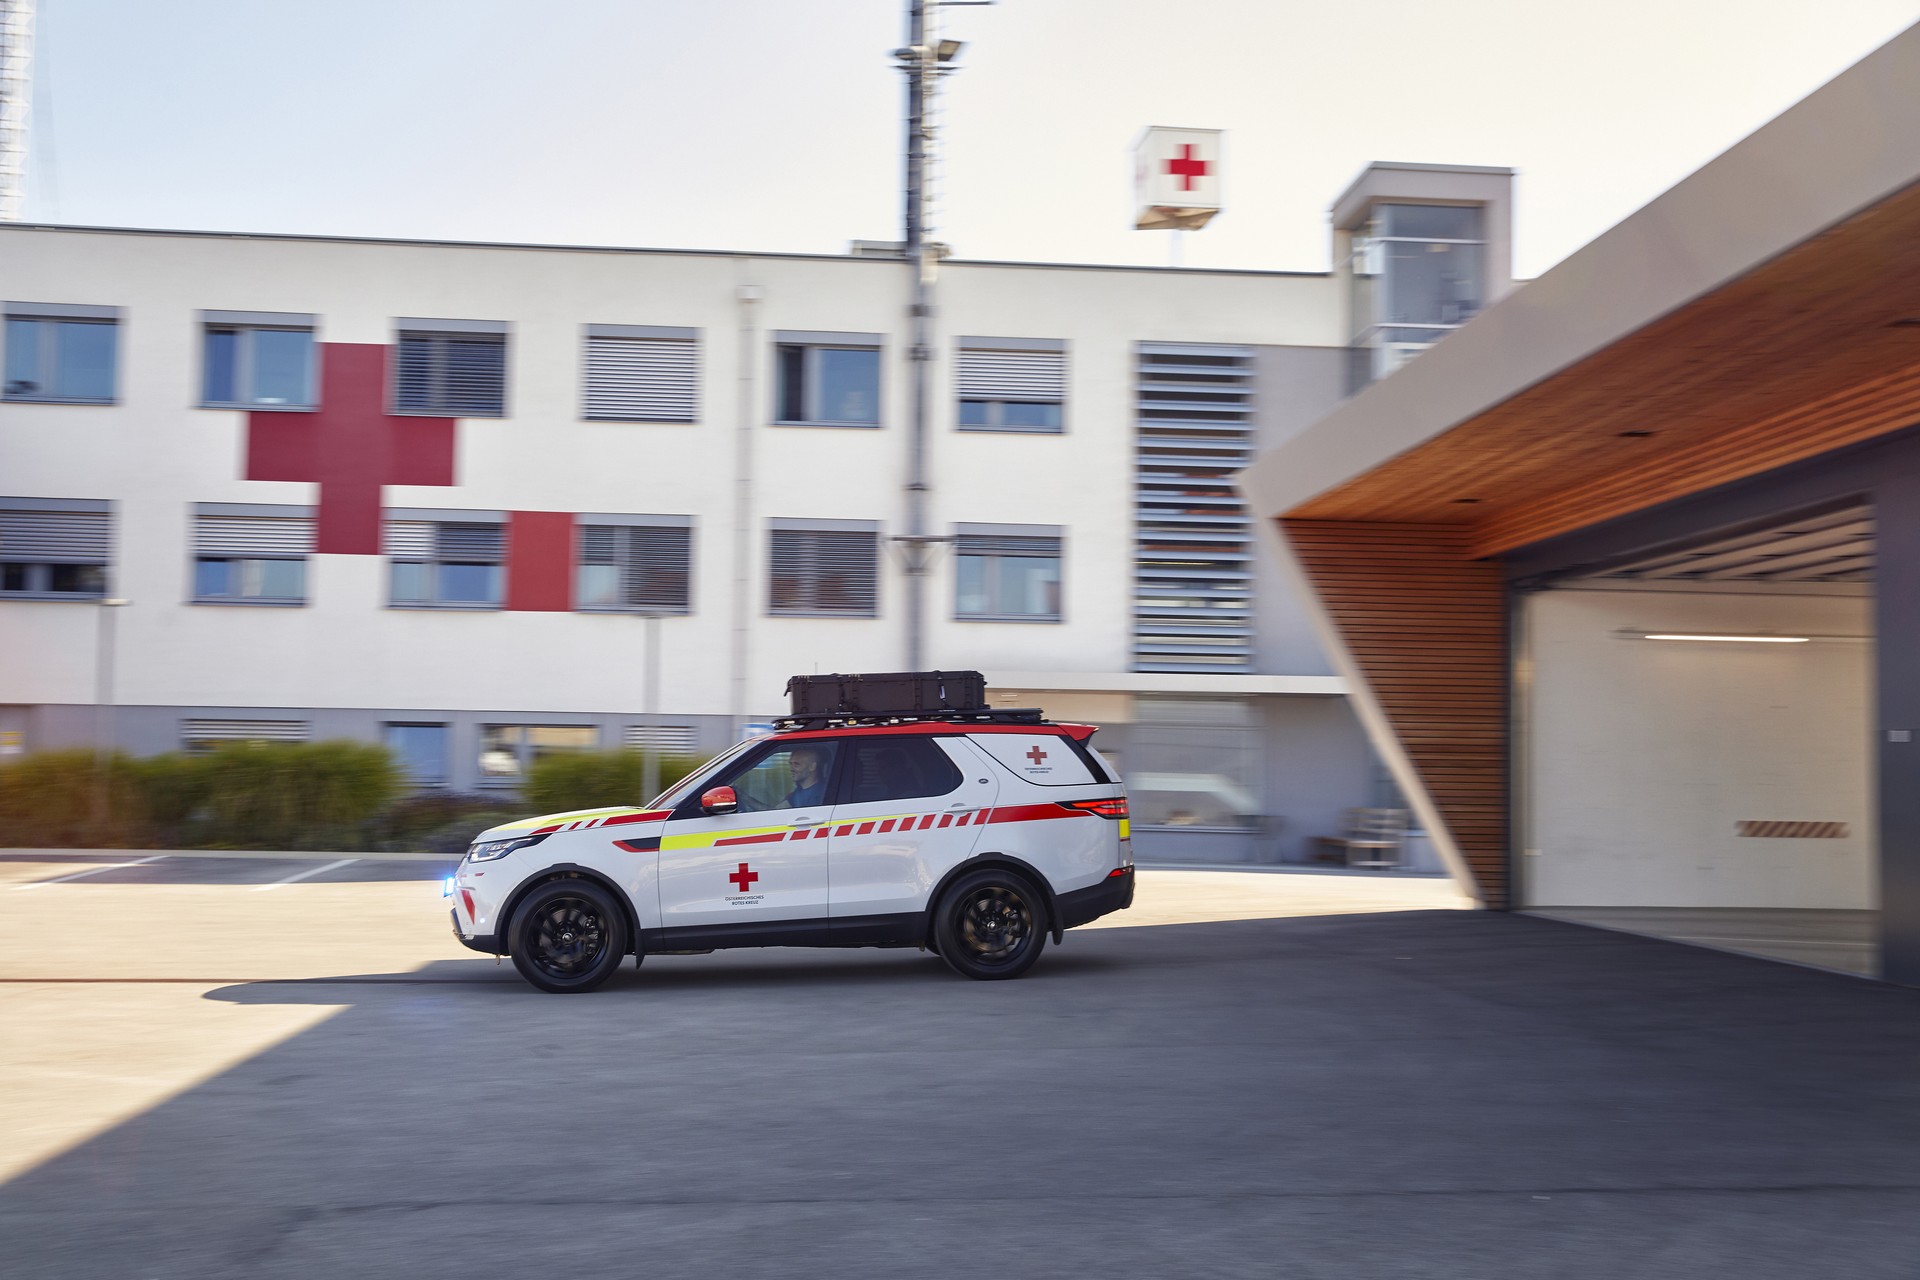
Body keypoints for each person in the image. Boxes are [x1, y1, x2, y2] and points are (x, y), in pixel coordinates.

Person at [784, 745, 829, 809]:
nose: (791, 769)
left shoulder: (822, 794)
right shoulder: (797, 792)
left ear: (812, 767)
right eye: (791, 764)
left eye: (797, 764)